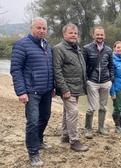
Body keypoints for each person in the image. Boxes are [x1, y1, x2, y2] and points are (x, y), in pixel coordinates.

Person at [10, 17, 54, 166]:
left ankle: (40, 141)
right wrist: (21, 91)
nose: (42, 30)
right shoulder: (21, 45)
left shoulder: (47, 45)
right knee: (33, 122)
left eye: (44, 28)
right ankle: (33, 153)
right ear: (32, 28)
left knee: (45, 117)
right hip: (31, 92)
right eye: (38, 28)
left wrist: (53, 86)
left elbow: (50, 68)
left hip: (47, 91)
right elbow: (16, 70)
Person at [53, 23, 89, 152]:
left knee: (67, 112)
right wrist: (64, 89)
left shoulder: (76, 48)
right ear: (64, 34)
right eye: (71, 33)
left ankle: (65, 135)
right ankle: (74, 141)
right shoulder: (59, 49)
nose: (74, 35)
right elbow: (57, 70)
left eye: (75, 33)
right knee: (73, 112)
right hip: (67, 87)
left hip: (77, 86)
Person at [83, 26, 114, 138]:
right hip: (92, 82)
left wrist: (111, 79)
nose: (100, 36)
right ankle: (88, 129)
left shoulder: (109, 50)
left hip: (106, 82)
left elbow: (111, 66)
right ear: (93, 35)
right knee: (91, 108)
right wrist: (86, 79)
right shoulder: (86, 48)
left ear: (104, 36)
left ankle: (101, 128)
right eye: (98, 34)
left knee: (103, 107)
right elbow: (84, 66)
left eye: (101, 35)